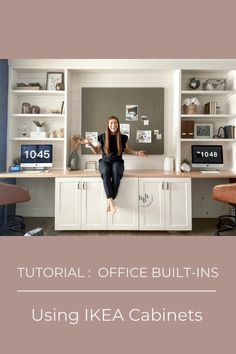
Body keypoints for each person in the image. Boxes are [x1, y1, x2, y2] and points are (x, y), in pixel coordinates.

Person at [79, 116, 148, 214]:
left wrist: (137, 153)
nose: (113, 125)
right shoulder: (102, 137)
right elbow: (96, 151)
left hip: (118, 162)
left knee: (116, 170)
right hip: (104, 162)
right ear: (108, 124)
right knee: (106, 171)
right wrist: (89, 144)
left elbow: (126, 150)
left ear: (118, 125)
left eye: (115, 123)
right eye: (111, 123)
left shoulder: (122, 137)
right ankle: (111, 201)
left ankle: (109, 201)